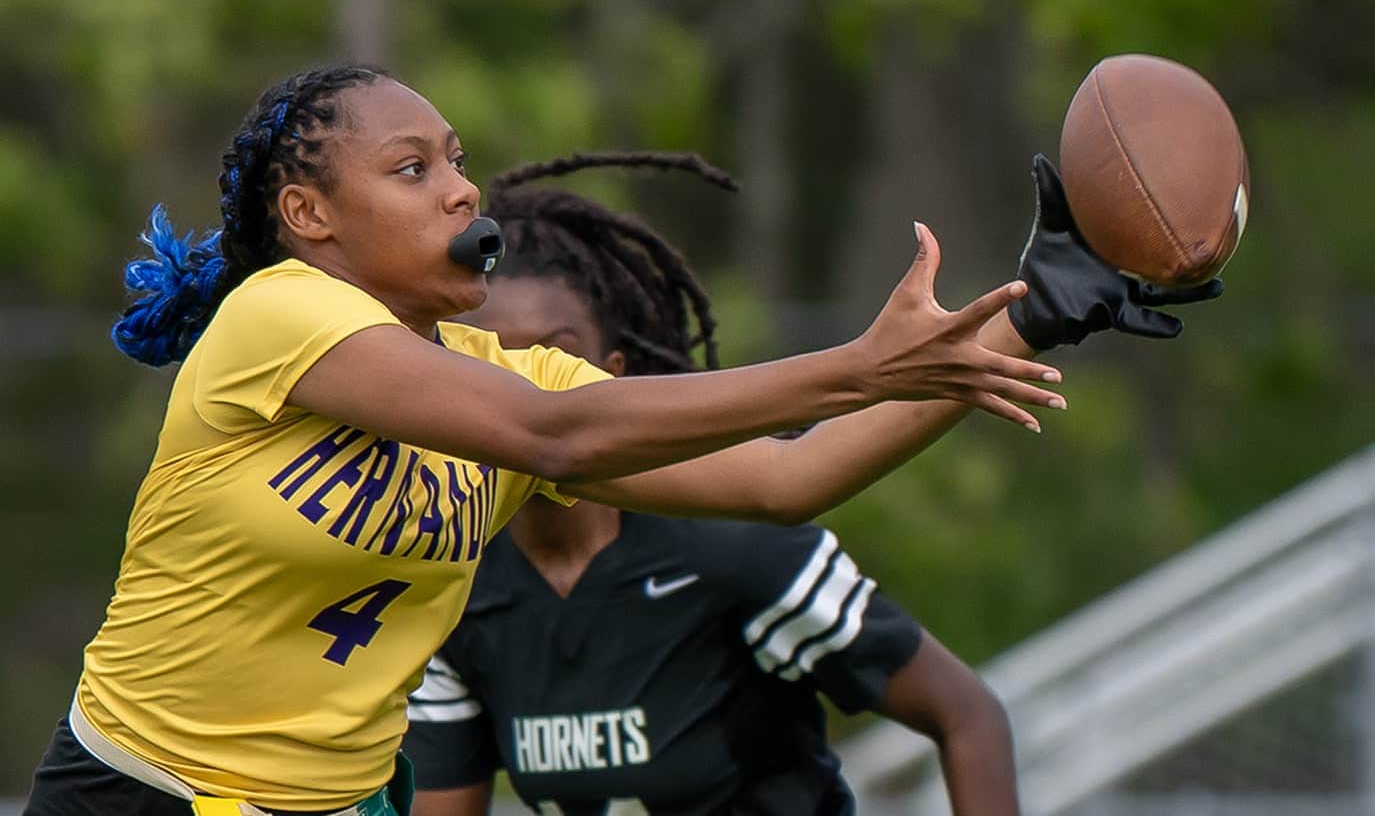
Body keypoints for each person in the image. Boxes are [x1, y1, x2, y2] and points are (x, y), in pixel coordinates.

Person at [21, 63, 1072, 816]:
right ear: (308, 213)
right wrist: (854, 364)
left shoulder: (507, 382)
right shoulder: (278, 315)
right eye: (412, 168)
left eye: (459, 162)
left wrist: (1034, 317)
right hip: (140, 789)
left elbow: (789, 478)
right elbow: (553, 437)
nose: (462, 187)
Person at [400, 152, 1222, 816]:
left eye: (550, 356)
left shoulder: (729, 554)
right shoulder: (445, 578)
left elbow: (964, 710)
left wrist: (1029, 313)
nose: (526, 388)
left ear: (616, 377)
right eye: (493, 364)